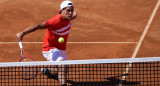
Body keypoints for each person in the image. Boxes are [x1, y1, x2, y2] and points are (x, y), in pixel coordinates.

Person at [16, 0, 78, 86]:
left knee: (64, 68)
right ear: (61, 11)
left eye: (72, 10)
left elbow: (71, 17)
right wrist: (22, 33)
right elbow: (38, 25)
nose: (70, 13)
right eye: (68, 10)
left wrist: (73, 16)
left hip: (61, 48)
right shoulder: (56, 20)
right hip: (50, 49)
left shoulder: (68, 17)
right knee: (62, 65)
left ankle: (48, 71)